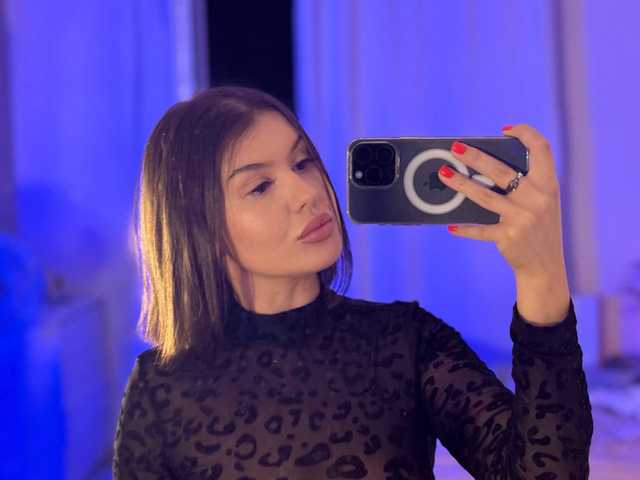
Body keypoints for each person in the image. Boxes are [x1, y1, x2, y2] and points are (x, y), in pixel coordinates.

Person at [112, 86, 592, 479]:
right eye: (260, 186)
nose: (307, 192)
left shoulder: (405, 341)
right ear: (198, 229)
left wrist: (541, 274)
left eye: (303, 162)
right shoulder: (160, 389)